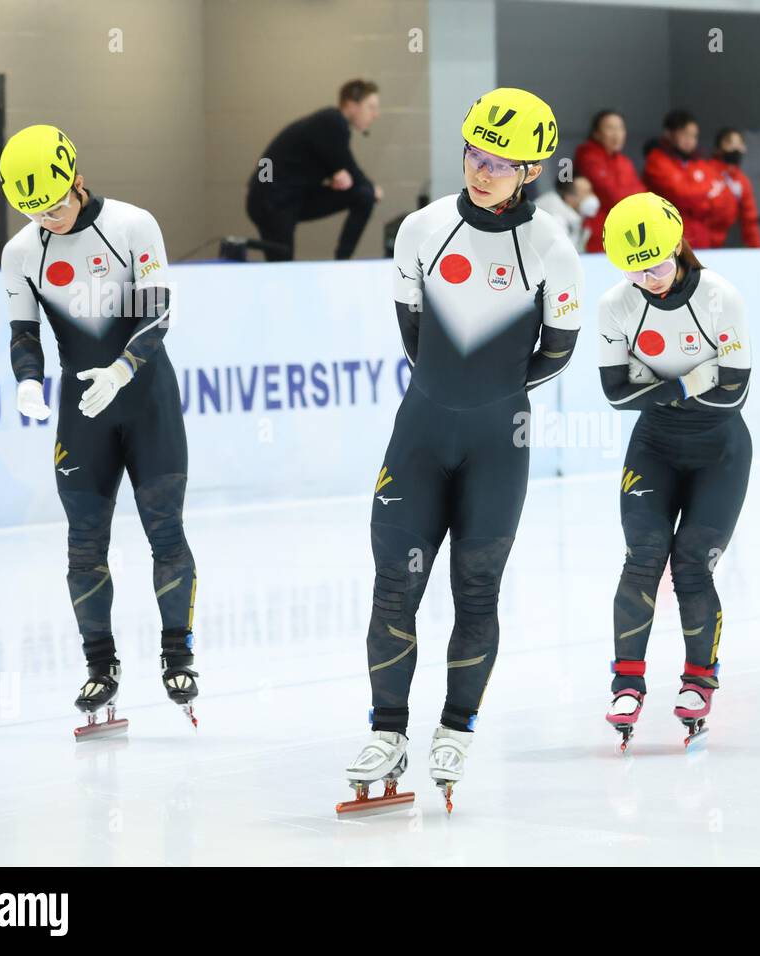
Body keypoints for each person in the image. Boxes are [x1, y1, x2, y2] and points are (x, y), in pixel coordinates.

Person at [340, 88, 584, 814]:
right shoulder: (420, 229)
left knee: (474, 592)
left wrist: (494, 394)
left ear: (532, 168)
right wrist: (456, 389)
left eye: (501, 162)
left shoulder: (550, 248)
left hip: (497, 443)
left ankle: (456, 725)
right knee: (394, 588)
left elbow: (557, 354)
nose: (482, 171)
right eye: (475, 154)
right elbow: (414, 337)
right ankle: (387, 732)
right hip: (420, 433)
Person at [0, 125, 199, 736]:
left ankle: (177, 653)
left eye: (56, 205)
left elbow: (158, 312)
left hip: (146, 402)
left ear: (77, 181)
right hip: (82, 411)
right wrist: (28, 381)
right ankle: (99, 665)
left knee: (164, 528)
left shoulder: (134, 226)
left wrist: (119, 371)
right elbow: (24, 332)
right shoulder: (21, 253)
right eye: (34, 213)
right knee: (84, 542)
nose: (49, 220)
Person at [595, 192, 753, 750]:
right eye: (635, 270)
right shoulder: (616, 304)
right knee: (643, 558)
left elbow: (733, 392)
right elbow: (616, 395)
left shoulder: (719, 297)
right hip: (654, 450)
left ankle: (698, 680)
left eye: (657, 264)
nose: (650, 279)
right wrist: (693, 379)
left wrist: (659, 387)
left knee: (691, 565)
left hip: (720, 453)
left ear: (680, 245)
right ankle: (627, 683)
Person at [245, 79, 383, 261]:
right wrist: (373, 188)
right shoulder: (332, 121)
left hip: (292, 198)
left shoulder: (332, 127)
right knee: (281, 267)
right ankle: (342, 262)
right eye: (371, 107)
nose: (375, 114)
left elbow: (340, 167)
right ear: (351, 104)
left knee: (363, 194)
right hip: (272, 201)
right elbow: (350, 167)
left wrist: (343, 178)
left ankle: (343, 260)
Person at [643, 109, 720, 248]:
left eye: (694, 136)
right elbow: (679, 194)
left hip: (701, 236)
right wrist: (706, 190)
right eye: (685, 134)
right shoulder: (657, 160)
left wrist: (701, 195)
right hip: (667, 235)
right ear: (669, 133)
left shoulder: (699, 162)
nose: (690, 140)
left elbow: (717, 199)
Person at [574, 109, 645, 254]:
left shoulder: (625, 161)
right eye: (610, 128)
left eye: (620, 128)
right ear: (596, 133)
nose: (617, 134)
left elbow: (643, 195)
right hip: (598, 236)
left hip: (625, 232)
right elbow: (613, 195)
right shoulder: (587, 157)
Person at [705, 127, 760, 248]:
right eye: (730, 143)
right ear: (718, 148)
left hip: (723, 244)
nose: (735, 148)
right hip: (696, 242)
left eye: (739, 144)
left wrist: (758, 252)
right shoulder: (704, 172)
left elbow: (750, 221)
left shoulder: (742, 181)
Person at [535, 174, 599, 251]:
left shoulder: (576, 214)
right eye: (586, 192)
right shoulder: (554, 215)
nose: (592, 196)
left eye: (591, 191)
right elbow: (560, 252)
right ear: (569, 197)